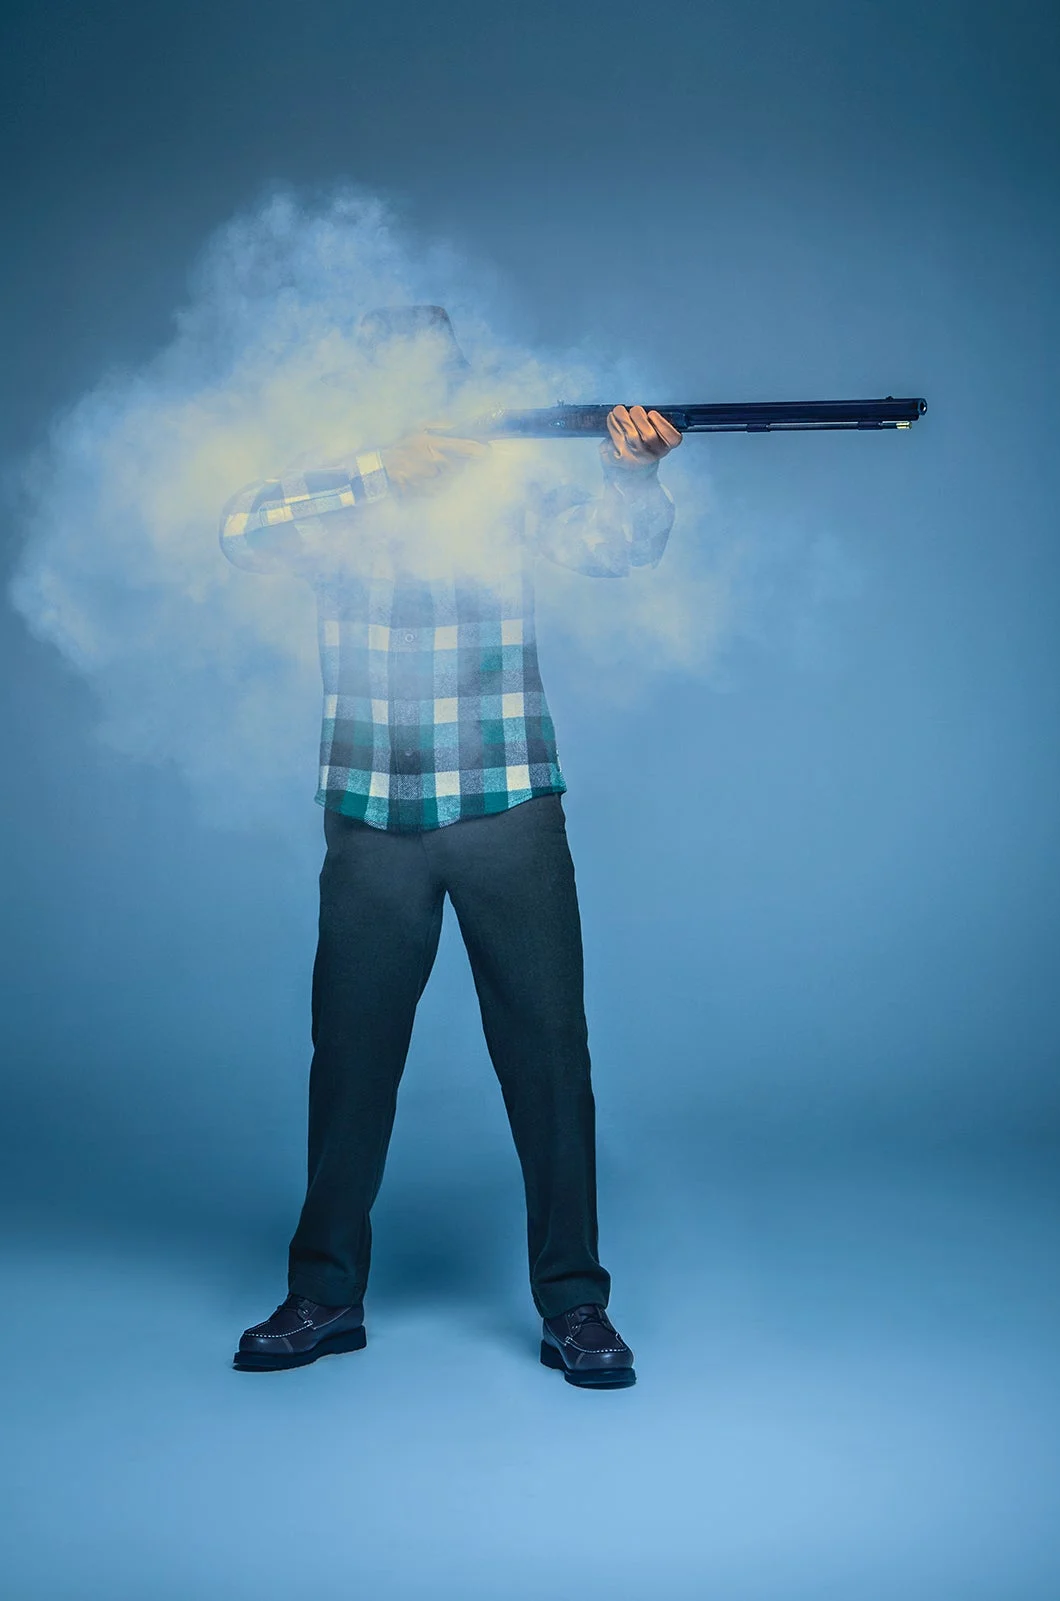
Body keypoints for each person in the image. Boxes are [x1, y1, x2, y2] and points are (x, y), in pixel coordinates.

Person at [219, 305, 680, 1388]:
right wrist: (383, 472)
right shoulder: (336, 485)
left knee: (551, 1063)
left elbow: (617, 551)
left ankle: (576, 1303)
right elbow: (241, 533)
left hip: (509, 805)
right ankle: (324, 1293)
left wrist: (634, 477)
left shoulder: (506, 481)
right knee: (351, 1063)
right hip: (373, 813)